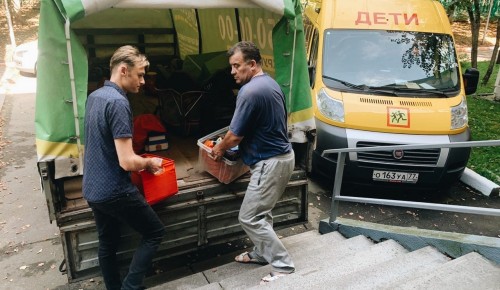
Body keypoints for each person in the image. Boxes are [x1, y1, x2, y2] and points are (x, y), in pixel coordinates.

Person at [210, 41, 296, 284]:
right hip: (282, 158)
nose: (232, 71)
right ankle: (261, 253)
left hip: (269, 163)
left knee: (249, 217)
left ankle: (283, 266)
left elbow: (235, 135)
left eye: (237, 66)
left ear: (252, 64)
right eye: (231, 66)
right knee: (262, 212)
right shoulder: (270, 83)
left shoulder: (249, 92)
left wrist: (219, 147)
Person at [83, 45, 166, 290]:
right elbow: (127, 161)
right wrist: (149, 163)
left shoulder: (95, 96)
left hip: (92, 189)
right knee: (154, 232)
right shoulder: (118, 102)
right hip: (114, 189)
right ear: (123, 70)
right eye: (139, 74)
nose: (143, 81)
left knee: (107, 244)